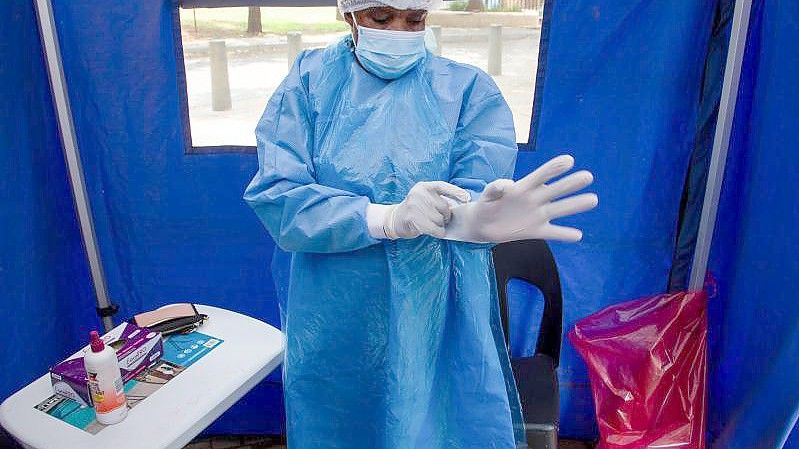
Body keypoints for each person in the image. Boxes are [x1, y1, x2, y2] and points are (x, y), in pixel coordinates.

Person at [243, 1, 596, 448]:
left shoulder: (466, 91)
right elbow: (278, 195)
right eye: (380, 17)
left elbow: (477, 181)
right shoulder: (309, 85)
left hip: (438, 305)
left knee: (440, 423)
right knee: (344, 425)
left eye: (414, 20)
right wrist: (384, 217)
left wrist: (469, 217)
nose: (398, 31)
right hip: (338, 308)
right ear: (347, 13)